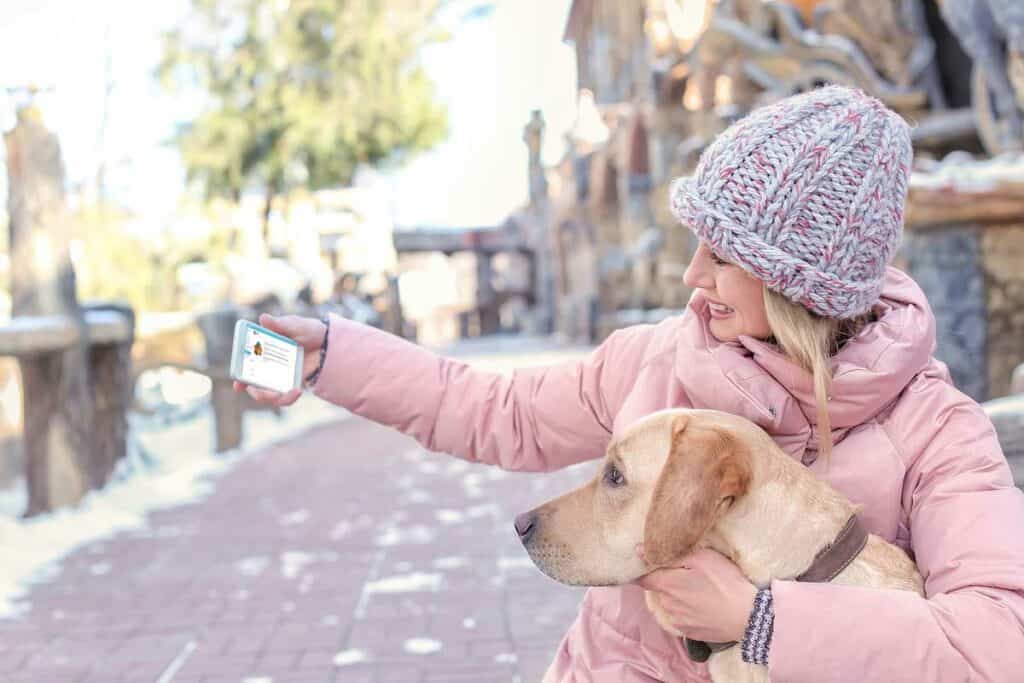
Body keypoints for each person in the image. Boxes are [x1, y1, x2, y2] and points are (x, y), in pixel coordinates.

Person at [234, 86, 1024, 681]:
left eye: (720, 254)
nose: (690, 275)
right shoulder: (655, 359)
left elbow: (997, 644)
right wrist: (332, 356)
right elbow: (490, 409)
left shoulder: (936, 433)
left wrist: (760, 621)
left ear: (797, 285)